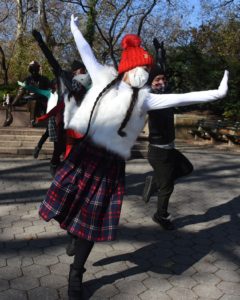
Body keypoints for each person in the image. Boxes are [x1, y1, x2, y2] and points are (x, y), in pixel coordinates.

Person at [38, 15, 228, 300]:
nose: (144, 73)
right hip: (84, 155)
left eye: (147, 69)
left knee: (92, 219)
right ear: (128, 68)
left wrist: (218, 92)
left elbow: (185, 98)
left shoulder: (146, 98)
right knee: (68, 204)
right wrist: (74, 27)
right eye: (140, 67)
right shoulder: (104, 79)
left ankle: (76, 273)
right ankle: (72, 234)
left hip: (110, 165)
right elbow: (86, 52)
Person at [142, 65, 193, 230]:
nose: (162, 82)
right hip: (158, 152)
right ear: (151, 83)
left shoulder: (166, 97)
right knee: (167, 187)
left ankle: (155, 181)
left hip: (169, 149)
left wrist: (160, 55)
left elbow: (164, 85)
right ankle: (160, 215)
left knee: (186, 168)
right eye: (157, 80)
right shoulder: (151, 100)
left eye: (164, 79)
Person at [11, 61, 50, 127]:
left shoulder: (45, 79)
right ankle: (32, 121)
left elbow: (49, 91)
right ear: (30, 70)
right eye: (32, 70)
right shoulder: (27, 80)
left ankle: (33, 121)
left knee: (35, 100)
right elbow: (20, 93)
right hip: (30, 100)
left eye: (35, 69)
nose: (34, 71)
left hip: (42, 100)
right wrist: (13, 103)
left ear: (38, 69)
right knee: (33, 100)